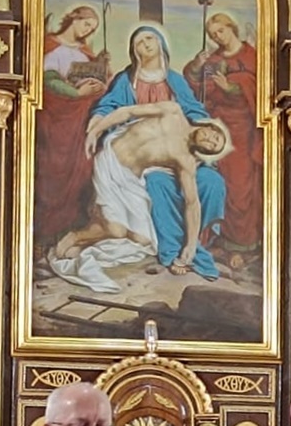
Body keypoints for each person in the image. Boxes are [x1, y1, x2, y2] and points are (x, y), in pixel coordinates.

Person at [51, 24, 228, 289]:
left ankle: (86, 245)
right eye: (141, 41)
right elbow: (122, 110)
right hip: (118, 159)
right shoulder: (153, 98)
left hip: (142, 171)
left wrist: (190, 248)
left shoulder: (176, 89)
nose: (146, 44)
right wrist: (96, 127)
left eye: (214, 145)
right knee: (120, 226)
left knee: (141, 239)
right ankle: (75, 239)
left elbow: (192, 203)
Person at [183, 11, 261, 266]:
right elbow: (197, 88)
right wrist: (196, 67)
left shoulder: (252, 55)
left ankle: (243, 245)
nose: (218, 37)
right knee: (222, 185)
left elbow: (261, 88)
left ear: (232, 27)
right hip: (217, 128)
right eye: (213, 34)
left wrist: (232, 87)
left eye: (221, 31)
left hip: (244, 128)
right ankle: (220, 242)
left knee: (241, 186)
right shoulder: (214, 59)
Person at [35, 4, 107, 251]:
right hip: (56, 121)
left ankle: (67, 232)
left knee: (80, 171)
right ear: (74, 18)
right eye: (86, 23)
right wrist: (77, 93)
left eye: (92, 28)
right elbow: (48, 80)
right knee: (51, 174)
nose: (88, 30)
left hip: (80, 122)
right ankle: (44, 236)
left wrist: (100, 79)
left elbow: (96, 81)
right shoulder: (49, 45)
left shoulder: (85, 53)